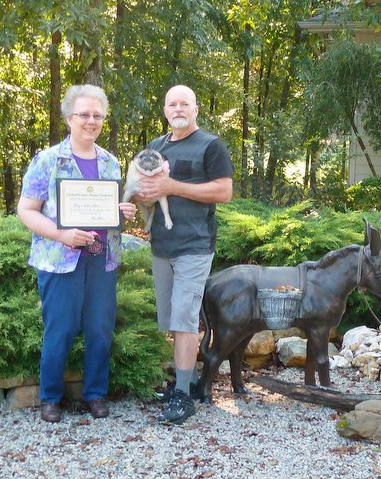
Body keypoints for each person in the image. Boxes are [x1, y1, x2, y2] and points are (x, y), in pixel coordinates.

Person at [18, 84, 137, 423]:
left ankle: (95, 394)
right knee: (61, 329)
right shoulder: (47, 160)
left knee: (100, 329)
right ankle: (50, 397)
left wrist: (121, 212)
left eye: (97, 115)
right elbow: (26, 210)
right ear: (69, 118)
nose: (91, 121)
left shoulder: (110, 162)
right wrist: (61, 234)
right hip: (60, 259)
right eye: (84, 114)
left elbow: (105, 210)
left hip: (102, 258)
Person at [135, 85, 234, 424]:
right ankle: (188, 382)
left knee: (184, 317)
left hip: (194, 245)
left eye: (185, 103)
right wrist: (132, 200)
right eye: (172, 104)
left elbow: (224, 191)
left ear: (196, 109)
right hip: (161, 245)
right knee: (170, 319)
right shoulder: (155, 148)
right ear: (165, 111)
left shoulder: (210, 145)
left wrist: (172, 186)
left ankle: (182, 397)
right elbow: (147, 193)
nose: (178, 109)